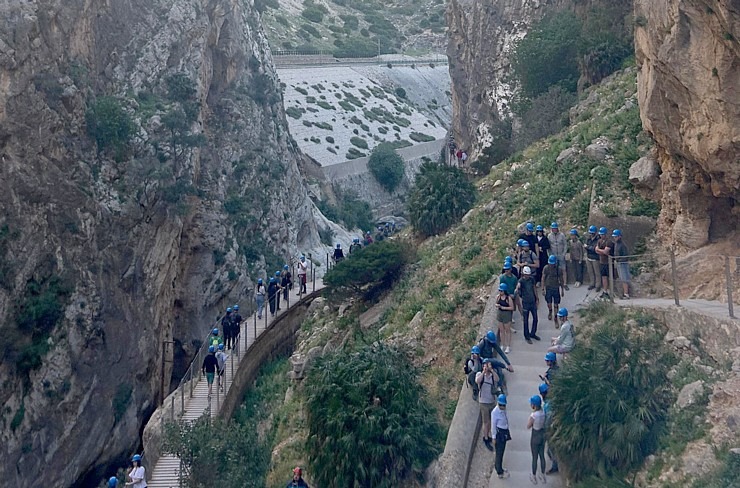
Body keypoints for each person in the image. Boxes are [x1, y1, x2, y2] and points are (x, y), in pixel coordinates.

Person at [476, 359, 500, 451]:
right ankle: (486, 437)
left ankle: (489, 435)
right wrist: (483, 372)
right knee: (485, 422)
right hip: (483, 402)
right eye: (485, 366)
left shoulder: (493, 376)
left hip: (491, 402)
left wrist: (492, 371)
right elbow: (477, 381)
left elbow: (497, 379)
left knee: (491, 421)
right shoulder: (479, 374)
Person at [539, 383, 559, 474]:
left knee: (551, 450)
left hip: (551, 430)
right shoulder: (552, 401)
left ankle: (556, 466)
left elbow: (548, 420)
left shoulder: (548, 405)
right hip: (554, 428)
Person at [528, 394, 547, 485]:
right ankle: (543, 475)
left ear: (534, 405)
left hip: (535, 435)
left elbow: (528, 426)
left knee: (534, 457)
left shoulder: (534, 415)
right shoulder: (543, 412)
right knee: (542, 456)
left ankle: (534, 476)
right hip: (542, 434)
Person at [517, 266, 539, 343]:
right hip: (526, 303)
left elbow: (534, 288)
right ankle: (526, 336)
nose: (528, 276)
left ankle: (533, 333)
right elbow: (518, 290)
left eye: (528, 275)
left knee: (535, 318)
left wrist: (537, 298)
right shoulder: (521, 281)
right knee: (526, 320)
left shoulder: (532, 279)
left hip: (532, 301)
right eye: (526, 275)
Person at [492, 394, 511, 479]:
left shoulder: (503, 410)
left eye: (504, 405)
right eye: (501, 405)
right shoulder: (495, 412)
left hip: (504, 431)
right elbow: (493, 425)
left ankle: (500, 468)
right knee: (499, 453)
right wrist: (494, 437)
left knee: (502, 451)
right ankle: (499, 471)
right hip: (499, 433)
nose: (503, 407)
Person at [541, 255, 564, 322]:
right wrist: (542, 288)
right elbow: (543, 278)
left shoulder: (558, 269)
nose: (551, 265)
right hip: (548, 288)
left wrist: (562, 290)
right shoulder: (546, 268)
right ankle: (550, 311)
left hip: (556, 288)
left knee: (556, 304)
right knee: (549, 303)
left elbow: (561, 279)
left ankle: (556, 317)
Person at [499, 261, 520, 329]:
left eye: (507, 269)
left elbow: (515, 285)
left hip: (512, 295)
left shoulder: (514, 278)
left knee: (512, 309)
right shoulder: (502, 278)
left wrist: (515, 292)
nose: (506, 271)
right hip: (506, 296)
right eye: (505, 270)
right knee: (508, 311)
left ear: (511, 269)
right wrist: (508, 295)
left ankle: (510, 322)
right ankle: (509, 325)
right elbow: (502, 288)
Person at [547, 222, 568, 291]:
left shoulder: (562, 235)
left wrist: (564, 253)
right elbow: (548, 246)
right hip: (553, 255)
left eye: (555, 228)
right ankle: (558, 282)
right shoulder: (549, 236)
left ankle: (565, 283)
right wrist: (550, 255)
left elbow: (565, 245)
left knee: (563, 269)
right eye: (553, 229)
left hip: (561, 254)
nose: (554, 230)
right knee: (555, 270)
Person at [495, 283, 515, 354]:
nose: (500, 292)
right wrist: (497, 305)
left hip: (506, 314)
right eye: (500, 290)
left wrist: (503, 307)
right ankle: (502, 344)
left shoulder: (508, 298)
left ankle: (508, 346)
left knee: (507, 330)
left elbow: (512, 307)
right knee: (501, 330)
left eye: (501, 291)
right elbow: (496, 303)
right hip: (500, 314)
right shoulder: (498, 297)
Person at [595, 227, 614, 297]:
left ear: (606, 234)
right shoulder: (599, 241)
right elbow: (596, 250)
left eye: (603, 234)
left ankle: (611, 292)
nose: (601, 236)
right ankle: (605, 291)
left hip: (608, 262)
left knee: (610, 277)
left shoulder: (609, 242)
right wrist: (601, 251)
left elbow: (606, 252)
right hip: (602, 262)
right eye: (601, 234)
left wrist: (599, 250)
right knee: (604, 277)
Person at [612, 229, 631, 299]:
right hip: (619, 263)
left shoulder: (622, 245)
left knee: (624, 278)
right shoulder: (617, 244)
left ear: (619, 236)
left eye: (616, 236)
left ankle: (626, 293)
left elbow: (626, 256)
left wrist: (619, 260)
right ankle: (624, 293)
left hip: (623, 264)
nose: (615, 238)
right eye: (614, 237)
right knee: (622, 278)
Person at [584, 225, 601, 291]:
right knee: (590, 272)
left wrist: (587, 247)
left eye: (592, 233)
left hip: (595, 258)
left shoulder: (598, 240)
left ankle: (598, 285)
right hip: (589, 257)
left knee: (597, 272)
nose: (591, 234)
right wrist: (588, 247)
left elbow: (594, 249)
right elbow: (587, 246)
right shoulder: (588, 239)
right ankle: (592, 283)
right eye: (590, 233)